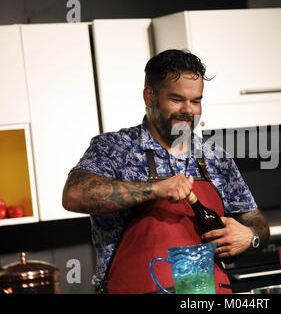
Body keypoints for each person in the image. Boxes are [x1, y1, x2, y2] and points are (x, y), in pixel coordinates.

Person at [62, 49, 270, 294]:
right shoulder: (115, 148)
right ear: (149, 96)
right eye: (177, 99)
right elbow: (73, 195)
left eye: (196, 101)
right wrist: (155, 189)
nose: (189, 110)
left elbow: (258, 223)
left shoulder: (215, 157)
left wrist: (251, 236)